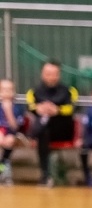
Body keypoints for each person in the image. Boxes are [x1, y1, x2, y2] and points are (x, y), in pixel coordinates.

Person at [25, 60, 77, 188]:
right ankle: (45, 175)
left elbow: (72, 109)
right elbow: (30, 107)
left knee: (44, 124)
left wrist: (57, 110)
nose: (51, 77)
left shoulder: (70, 91)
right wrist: (39, 109)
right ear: (42, 74)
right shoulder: (33, 92)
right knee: (44, 129)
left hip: (63, 129)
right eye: (48, 74)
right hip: (44, 132)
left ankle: (30, 136)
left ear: (59, 75)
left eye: (54, 74)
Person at [0, 78, 29, 186]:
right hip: (1, 133)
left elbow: (15, 126)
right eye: (4, 90)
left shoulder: (18, 107)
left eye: (9, 90)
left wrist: (8, 111)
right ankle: (3, 167)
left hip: (13, 134)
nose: (7, 92)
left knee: (9, 140)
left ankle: (2, 166)